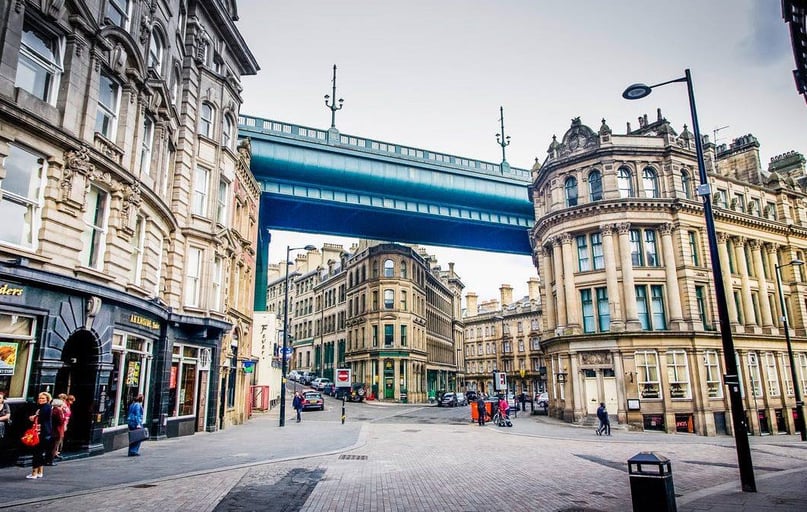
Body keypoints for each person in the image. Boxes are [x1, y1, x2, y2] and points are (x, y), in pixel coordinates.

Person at [27, 391, 53, 479]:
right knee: (40, 452)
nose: (40, 400)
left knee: (36, 452)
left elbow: (41, 417)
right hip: (43, 432)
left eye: (43, 398)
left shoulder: (46, 407)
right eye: (40, 398)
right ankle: (40, 471)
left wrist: (33, 417)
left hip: (41, 432)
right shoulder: (43, 407)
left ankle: (34, 472)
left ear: (47, 399)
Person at [49, 397, 65, 463]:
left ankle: (49, 459)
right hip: (57, 430)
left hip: (53, 429)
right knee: (54, 446)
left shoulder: (52, 410)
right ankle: (50, 460)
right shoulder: (58, 411)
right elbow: (61, 421)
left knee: (52, 446)